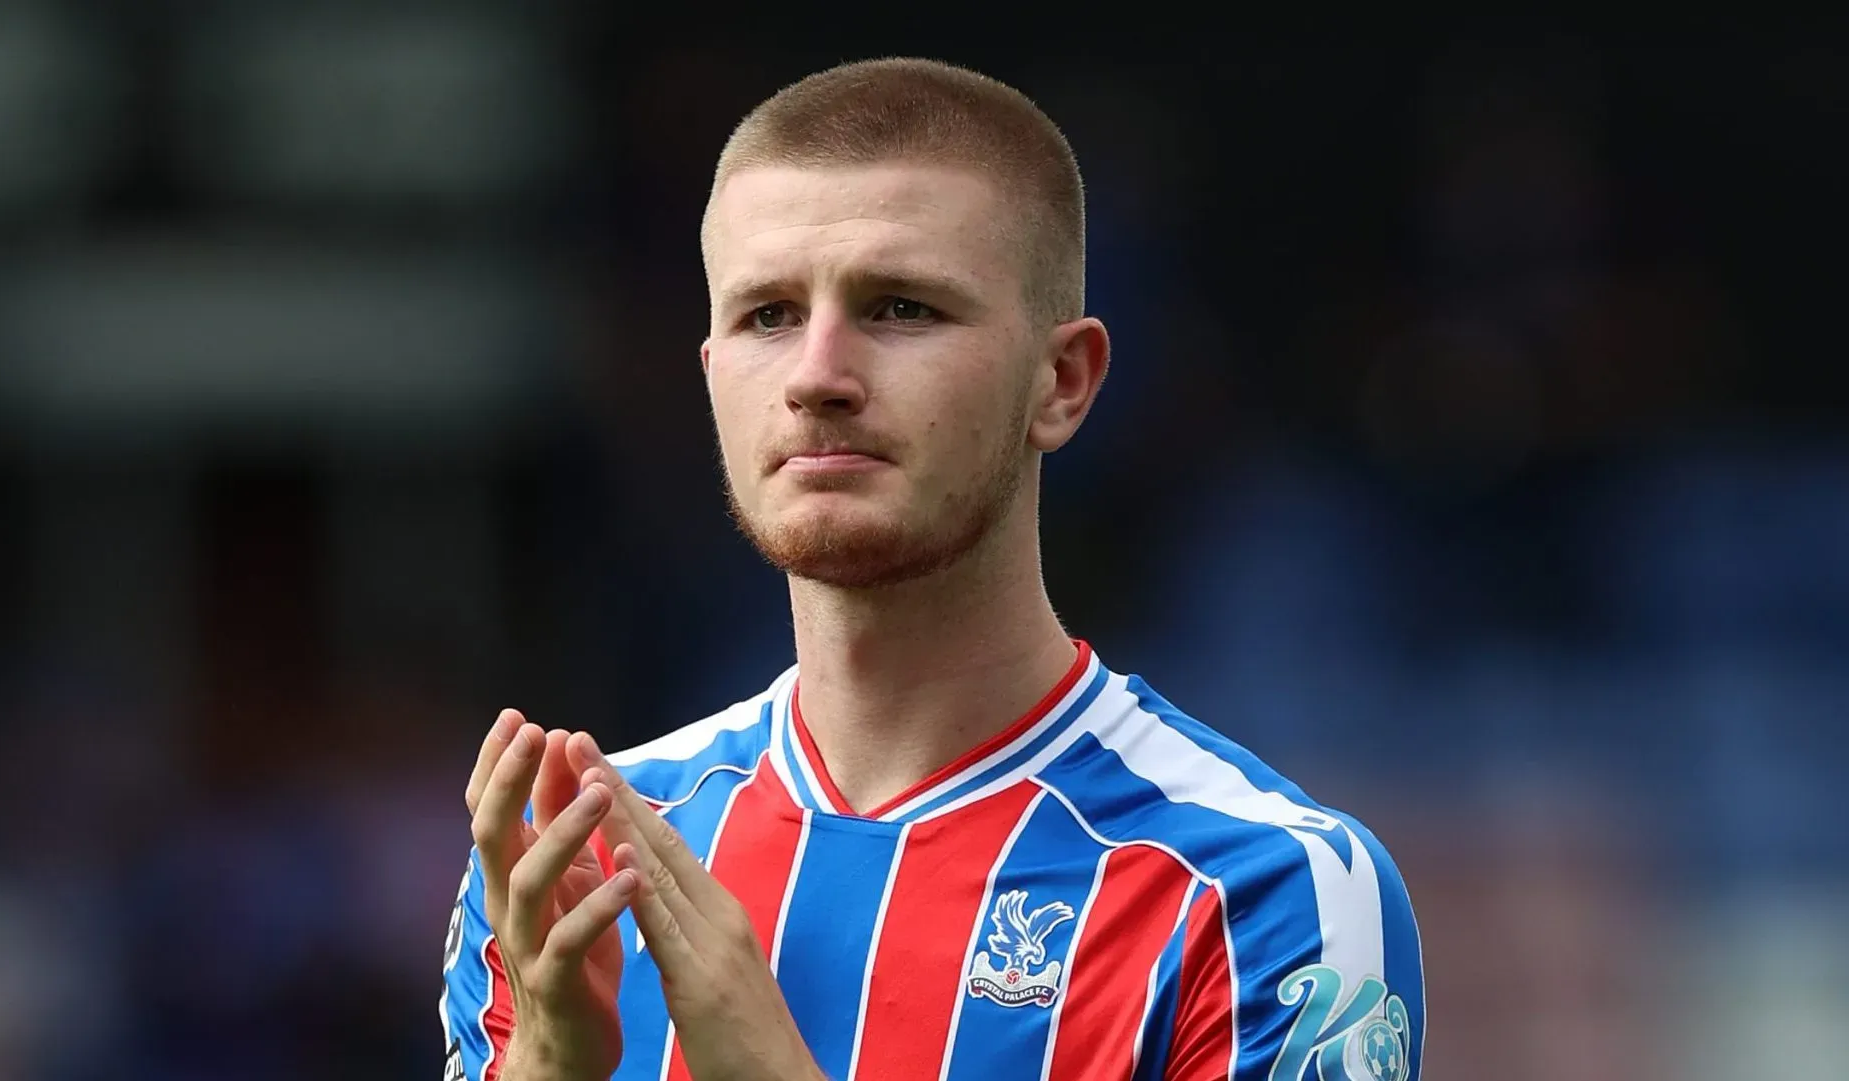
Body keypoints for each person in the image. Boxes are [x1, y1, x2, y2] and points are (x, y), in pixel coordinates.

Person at [440, 57, 1424, 1081]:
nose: (817, 375)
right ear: (710, 372)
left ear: (1063, 381)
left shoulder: (1260, 890)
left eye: (901, 308)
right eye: (767, 314)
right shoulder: (573, 862)